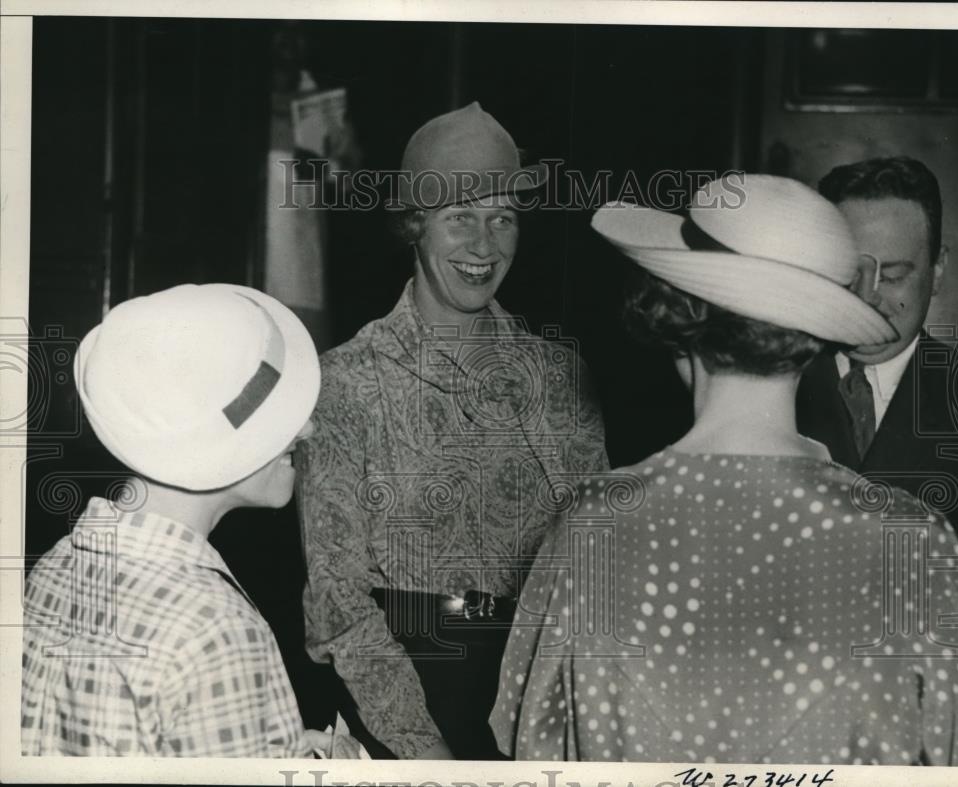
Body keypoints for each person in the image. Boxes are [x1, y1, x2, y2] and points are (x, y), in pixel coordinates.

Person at [490, 175, 958, 764]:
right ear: (815, 335)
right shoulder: (914, 539)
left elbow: (531, 745)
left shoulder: (593, 527)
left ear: (679, 324)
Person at [297, 102, 609, 760]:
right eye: (460, 216)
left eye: (503, 217)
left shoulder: (559, 378)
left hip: (539, 698)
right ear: (415, 223)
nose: (485, 245)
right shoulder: (347, 382)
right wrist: (425, 752)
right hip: (398, 699)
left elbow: (594, 569)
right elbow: (337, 598)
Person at [20, 283, 344, 757]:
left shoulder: (54, 566)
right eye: (275, 412)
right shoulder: (217, 629)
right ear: (216, 445)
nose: (308, 427)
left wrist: (268, 749)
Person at [797, 156, 958, 555]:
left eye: (893, 276)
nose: (867, 298)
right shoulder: (769, 382)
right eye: (848, 273)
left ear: (939, 271)